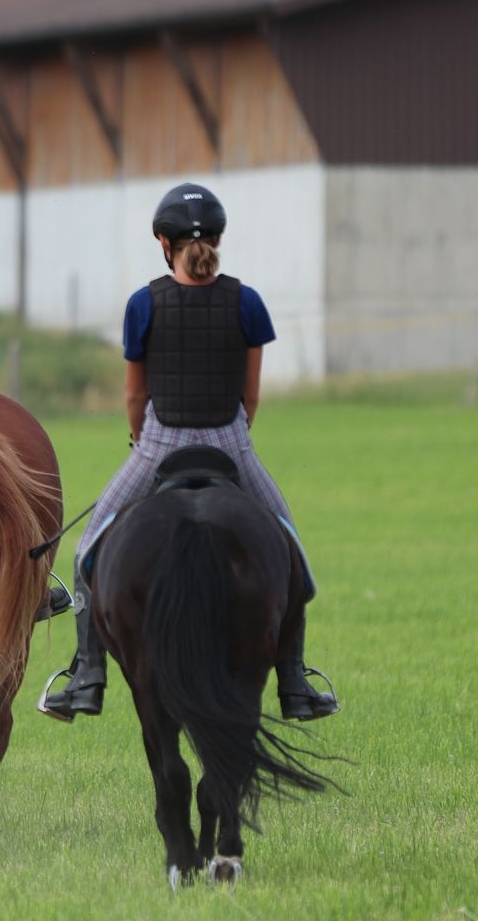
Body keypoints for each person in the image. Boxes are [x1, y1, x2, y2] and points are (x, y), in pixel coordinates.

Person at [39, 183, 339, 722]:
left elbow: (135, 395)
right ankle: (295, 683)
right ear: (218, 239)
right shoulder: (247, 302)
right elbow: (250, 395)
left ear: (163, 242)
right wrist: (233, 435)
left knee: (87, 552)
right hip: (230, 441)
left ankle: (87, 675)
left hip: (159, 444)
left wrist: (142, 439)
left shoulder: (143, 304)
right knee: (291, 550)